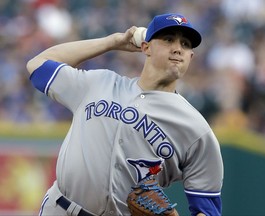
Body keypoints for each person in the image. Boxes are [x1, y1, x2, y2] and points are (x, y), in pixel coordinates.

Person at [27, 13, 223, 216]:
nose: (177, 48)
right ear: (145, 46)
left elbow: (207, 208)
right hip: (62, 209)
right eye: (168, 39)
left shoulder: (196, 128)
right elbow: (37, 65)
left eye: (185, 44)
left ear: (191, 56)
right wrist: (111, 42)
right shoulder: (99, 83)